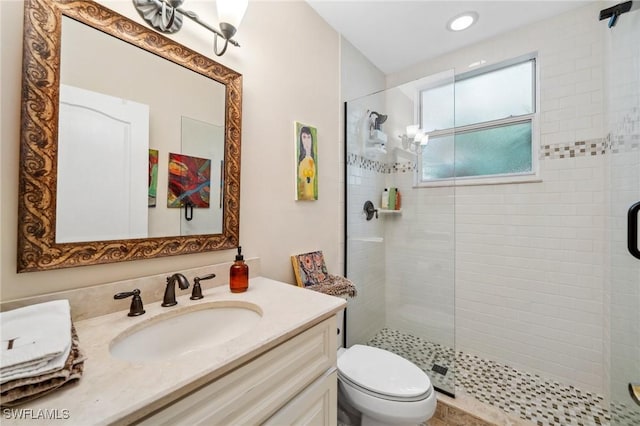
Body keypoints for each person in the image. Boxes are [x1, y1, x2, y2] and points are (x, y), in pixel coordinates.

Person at [297, 126, 317, 200]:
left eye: (309, 137)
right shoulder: (302, 162)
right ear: (301, 141)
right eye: (304, 137)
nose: (307, 140)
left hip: (311, 197)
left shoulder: (312, 161)